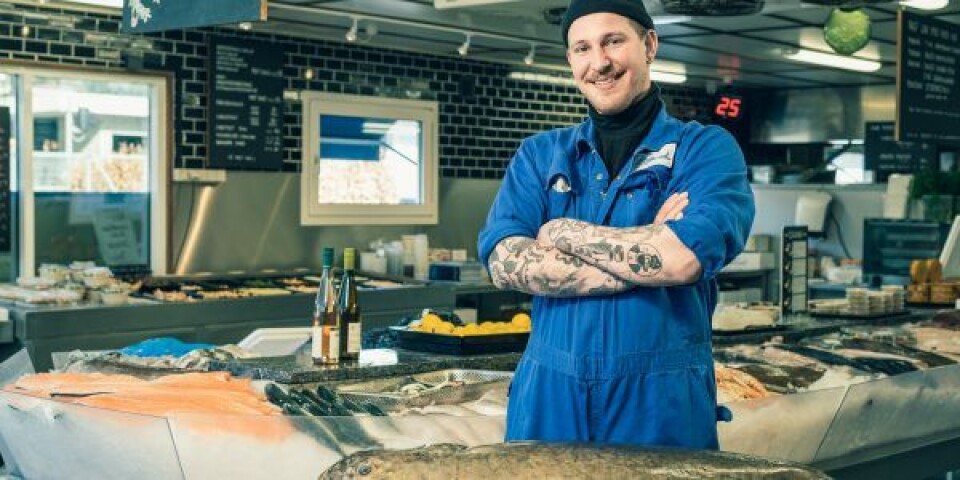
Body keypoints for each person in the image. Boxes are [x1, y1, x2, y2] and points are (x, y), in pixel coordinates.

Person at [477, 0, 755, 449]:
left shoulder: (705, 149)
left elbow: (683, 260)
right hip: (550, 398)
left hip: (660, 405)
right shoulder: (540, 155)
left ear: (649, 45)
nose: (599, 62)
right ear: (570, 60)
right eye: (582, 48)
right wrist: (647, 250)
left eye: (613, 41)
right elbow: (504, 262)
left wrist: (561, 231)